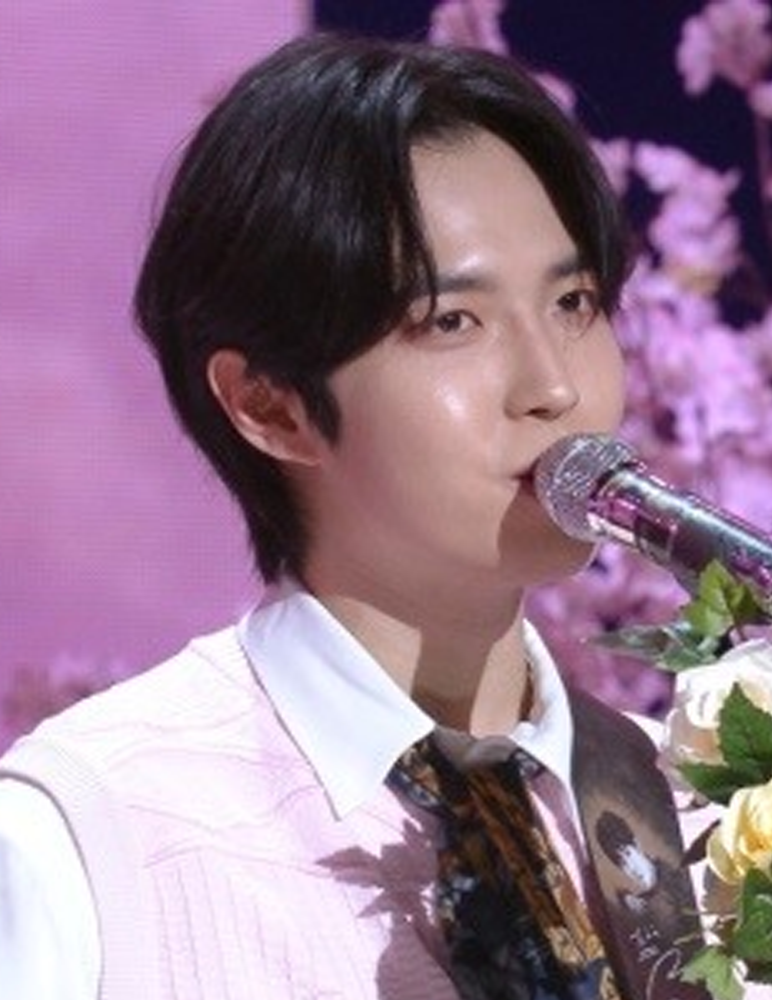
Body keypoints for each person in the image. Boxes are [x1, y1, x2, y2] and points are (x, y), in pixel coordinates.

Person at [0, 33, 708, 1000]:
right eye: (452, 322)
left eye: (574, 301)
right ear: (270, 405)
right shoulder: (87, 837)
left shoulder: (699, 813)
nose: (553, 386)